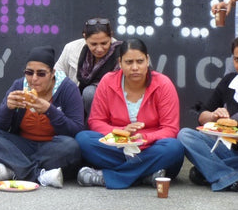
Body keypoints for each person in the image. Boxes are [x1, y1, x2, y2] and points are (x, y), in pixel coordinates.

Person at [75, 38, 185, 189]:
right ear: (120, 63)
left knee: (174, 148)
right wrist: (120, 133)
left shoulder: (163, 84)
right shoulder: (108, 81)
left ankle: (106, 177)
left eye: (140, 61)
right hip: (118, 148)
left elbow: (170, 129)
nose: (135, 67)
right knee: (83, 139)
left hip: (150, 148)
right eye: (129, 62)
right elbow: (96, 121)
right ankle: (145, 175)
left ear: (148, 60)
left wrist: (145, 137)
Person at [0, 46, 84, 188]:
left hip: (52, 147)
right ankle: (37, 175)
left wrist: (50, 110)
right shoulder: (19, 86)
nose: (34, 79)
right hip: (22, 144)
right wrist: (7, 109)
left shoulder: (67, 88)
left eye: (41, 74)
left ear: (52, 74)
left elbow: (76, 129)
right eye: (29, 72)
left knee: (71, 147)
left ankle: (15, 167)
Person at [177, 37, 238, 191]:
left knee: (197, 173)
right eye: (237, 60)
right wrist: (213, 116)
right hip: (228, 150)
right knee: (185, 135)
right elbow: (202, 116)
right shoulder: (229, 81)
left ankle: (213, 172)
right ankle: (229, 177)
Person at [54, 17, 121, 118]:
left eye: (104, 43)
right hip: (74, 101)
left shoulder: (122, 52)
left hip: (109, 105)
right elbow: (56, 77)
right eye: (93, 44)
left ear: (111, 36)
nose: (99, 49)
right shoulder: (71, 49)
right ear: (85, 38)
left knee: (90, 93)